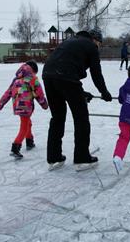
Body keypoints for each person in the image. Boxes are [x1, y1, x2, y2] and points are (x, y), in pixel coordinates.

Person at [42, 28, 112, 171]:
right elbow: (95, 72)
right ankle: (82, 158)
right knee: (81, 118)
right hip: (66, 76)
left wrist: (82, 93)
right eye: (99, 43)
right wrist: (104, 92)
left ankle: (54, 157)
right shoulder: (91, 46)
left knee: (57, 117)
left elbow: (67, 69)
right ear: (95, 39)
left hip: (48, 75)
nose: (98, 46)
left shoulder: (70, 41)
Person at [0, 61, 48, 159]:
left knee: (27, 123)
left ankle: (29, 140)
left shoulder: (16, 79)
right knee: (24, 126)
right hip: (26, 106)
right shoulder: (32, 79)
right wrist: (44, 104)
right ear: (33, 70)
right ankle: (15, 147)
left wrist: (0, 104)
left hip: (18, 106)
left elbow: (8, 93)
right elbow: (39, 93)